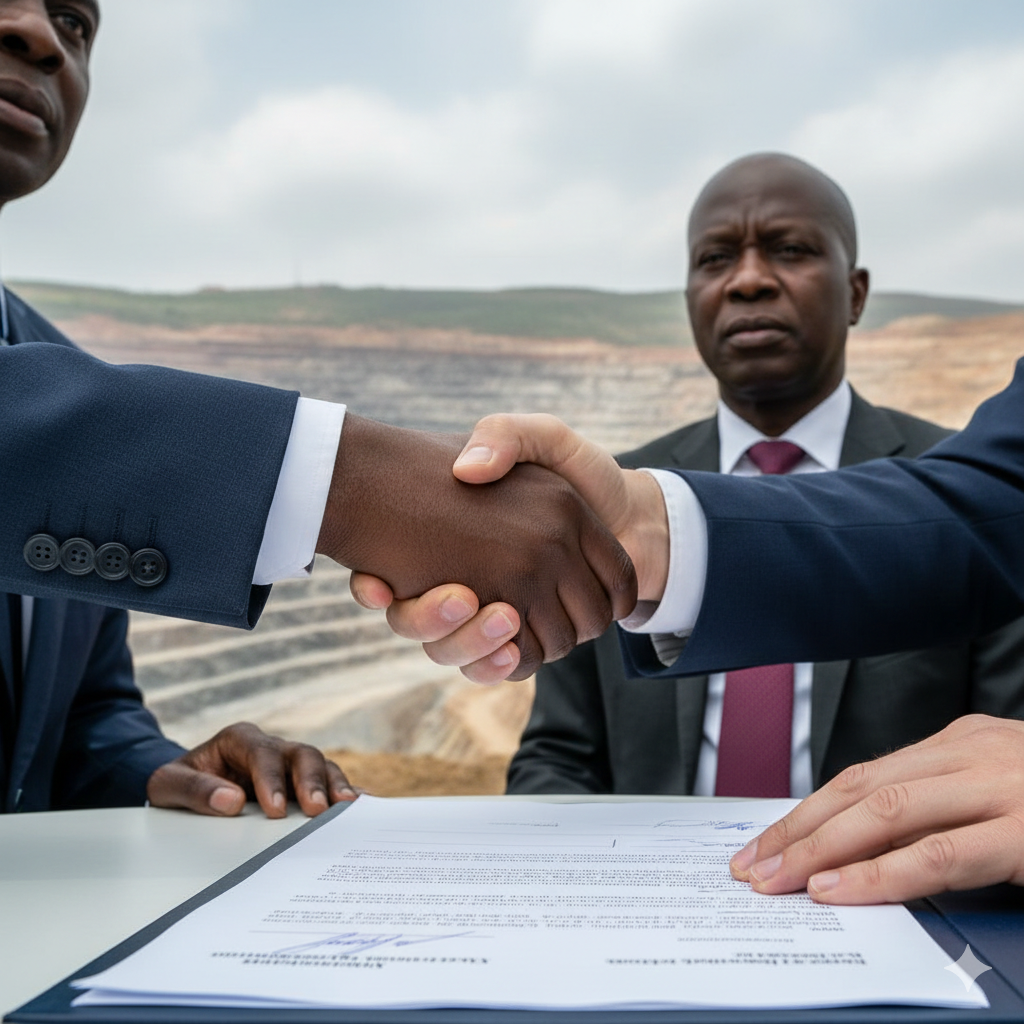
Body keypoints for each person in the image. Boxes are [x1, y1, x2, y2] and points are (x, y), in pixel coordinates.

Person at [0, 0, 627, 814]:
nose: (43, 36)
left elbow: (81, 719)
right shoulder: (82, 417)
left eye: (76, 23)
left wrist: (158, 773)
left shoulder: (58, 369)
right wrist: (350, 483)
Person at [503, 153, 1024, 801]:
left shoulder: (972, 495)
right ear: (690, 297)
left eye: (790, 249)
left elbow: (1007, 750)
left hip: (878, 894)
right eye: (715, 259)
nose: (748, 281)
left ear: (856, 293)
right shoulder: (611, 499)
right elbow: (557, 757)